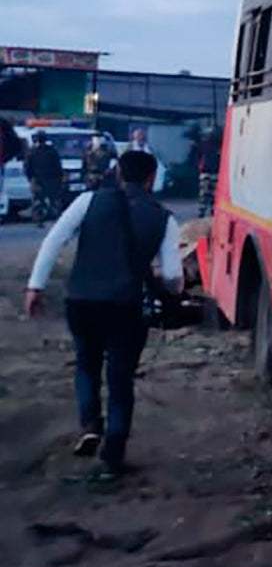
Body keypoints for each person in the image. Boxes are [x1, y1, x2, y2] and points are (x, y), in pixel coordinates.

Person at [24, 150, 183, 483]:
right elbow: (172, 276)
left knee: (86, 363)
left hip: (82, 299)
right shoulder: (163, 218)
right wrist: (167, 288)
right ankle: (113, 453)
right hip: (126, 306)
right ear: (152, 178)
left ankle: (90, 425)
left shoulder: (88, 201)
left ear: (118, 173)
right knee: (121, 378)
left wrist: (35, 286)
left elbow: (53, 241)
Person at [24, 130, 66, 222]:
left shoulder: (32, 151)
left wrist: (31, 178)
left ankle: (39, 218)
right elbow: (57, 166)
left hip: (39, 179)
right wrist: (60, 177)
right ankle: (55, 218)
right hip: (51, 179)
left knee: (39, 200)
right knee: (53, 200)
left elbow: (27, 167)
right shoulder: (51, 150)